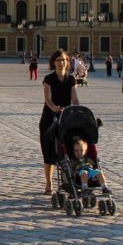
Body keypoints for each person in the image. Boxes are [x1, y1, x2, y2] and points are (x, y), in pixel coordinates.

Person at [40, 50, 80, 194]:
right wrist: (54, 108)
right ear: (53, 62)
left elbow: (74, 98)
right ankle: (49, 183)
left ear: (67, 62)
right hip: (49, 119)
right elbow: (48, 99)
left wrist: (77, 110)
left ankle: (69, 179)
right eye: (58, 60)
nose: (61, 62)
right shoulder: (48, 79)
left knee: (67, 150)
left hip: (66, 117)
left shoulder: (71, 80)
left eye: (63, 60)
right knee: (49, 152)